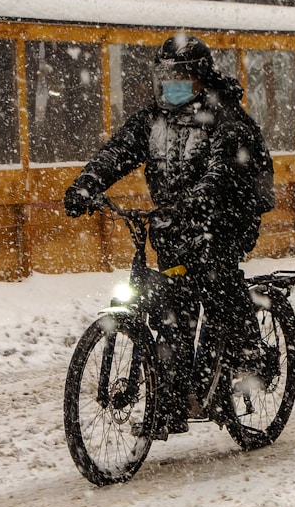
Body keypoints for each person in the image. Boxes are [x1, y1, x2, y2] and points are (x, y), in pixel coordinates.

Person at [64, 33, 275, 439]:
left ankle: (248, 354)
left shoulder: (224, 118)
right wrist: (88, 184)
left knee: (215, 280)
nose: (170, 84)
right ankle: (174, 402)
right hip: (173, 226)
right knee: (169, 307)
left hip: (225, 219)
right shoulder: (153, 119)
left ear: (199, 78)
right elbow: (119, 151)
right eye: (164, 75)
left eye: (179, 76)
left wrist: (200, 203)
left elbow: (223, 172)